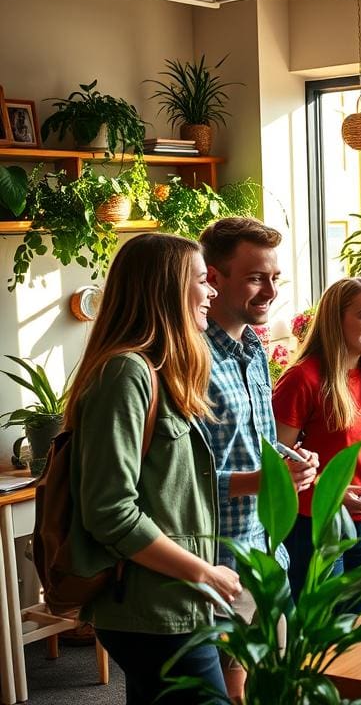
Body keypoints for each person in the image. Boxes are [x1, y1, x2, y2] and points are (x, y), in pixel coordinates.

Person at [67, 233, 240, 704]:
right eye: (203, 281)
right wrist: (205, 572)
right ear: (166, 289)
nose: (213, 292)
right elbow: (111, 511)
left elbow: (170, 490)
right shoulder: (126, 374)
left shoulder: (159, 371)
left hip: (174, 604)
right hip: (150, 609)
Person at [199, 217, 317, 696]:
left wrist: (293, 457)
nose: (270, 290)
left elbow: (254, 439)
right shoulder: (192, 357)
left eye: (274, 277)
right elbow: (181, 477)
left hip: (269, 548)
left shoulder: (252, 346)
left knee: (278, 687)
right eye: (255, 277)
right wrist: (262, 479)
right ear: (213, 277)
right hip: (220, 560)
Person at [273, 277, 361, 607]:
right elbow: (276, 467)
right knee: (322, 638)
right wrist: (333, 494)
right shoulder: (303, 378)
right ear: (335, 319)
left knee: (356, 636)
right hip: (317, 525)